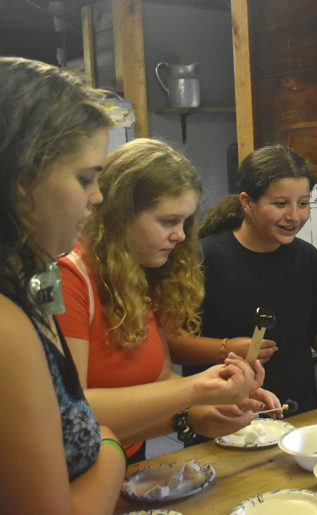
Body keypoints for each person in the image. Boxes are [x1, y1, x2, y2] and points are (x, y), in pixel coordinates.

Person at [56, 138, 279, 463]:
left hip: (127, 461)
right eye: (168, 221)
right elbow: (73, 411)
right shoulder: (70, 280)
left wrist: (206, 410)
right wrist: (197, 390)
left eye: (185, 222)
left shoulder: (140, 275)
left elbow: (161, 379)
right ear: (120, 216)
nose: (180, 235)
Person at [0, 57, 126, 513]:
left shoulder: (37, 274)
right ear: (23, 178)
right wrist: (109, 448)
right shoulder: (6, 325)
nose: (96, 197)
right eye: (85, 178)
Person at [168, 144, 317, 414]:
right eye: (281, 204)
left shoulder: (307, 259)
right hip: (223, 414)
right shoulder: (203, 258)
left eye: (303, 203)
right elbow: (171, 344)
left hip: (297, 412)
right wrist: (225, 348)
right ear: (248, 202)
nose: (294, 216)